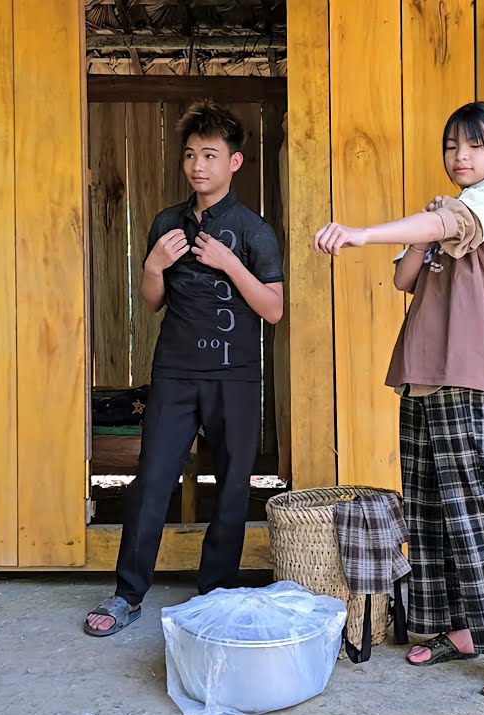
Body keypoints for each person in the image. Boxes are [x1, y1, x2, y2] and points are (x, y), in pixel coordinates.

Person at [313, 102, 484, 703]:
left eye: (474, 146)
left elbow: (443, 231)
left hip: (466, 378)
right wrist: (424, 230)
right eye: (452, 146)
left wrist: (365, 233)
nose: (461, 157)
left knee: (478, 510)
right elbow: (403, 280)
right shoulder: (449, 212)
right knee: (428, 511)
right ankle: (461, 630)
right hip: (422, 375)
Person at [85, 100, 284, 637]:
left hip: (234, 374)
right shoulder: (166, 224)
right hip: (174, 370)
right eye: (192, 154)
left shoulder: (253, 231)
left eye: (211, 155)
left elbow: (272, 308)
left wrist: (229, 262)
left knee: (234, 483)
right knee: (151, 478)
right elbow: (152, 302)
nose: (199, 165)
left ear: (234, 163)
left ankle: (214, 593)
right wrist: (153, 265)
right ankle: (128, 593)